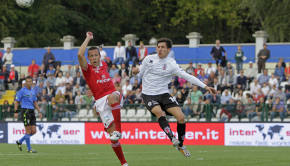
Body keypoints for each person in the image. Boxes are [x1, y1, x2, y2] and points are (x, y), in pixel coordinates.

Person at [132, 38, 215, 157]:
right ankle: (173, 139)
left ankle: (180, 144)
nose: (160, 49)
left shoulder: (171, 64)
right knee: (159, 113)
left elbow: (187, 76)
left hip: (164, 94)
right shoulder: (148, 59)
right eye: (158, 47)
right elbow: (139, 73)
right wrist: (134, 71)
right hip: (149, 94)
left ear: (168, 50)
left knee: (181, 117)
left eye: (163, 47)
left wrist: (205, 86)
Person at [78, 32, 128, 166]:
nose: (94, 58)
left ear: (100, 56)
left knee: (113, 96)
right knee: (113, 139)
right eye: (91, 56)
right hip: (101, 103)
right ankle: (124, 163)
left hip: (112, 96)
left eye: (96, 55)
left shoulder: (104, 65)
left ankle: (119, 130)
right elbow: (79, 55)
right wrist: (88, 38)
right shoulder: (87, 69)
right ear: (88, 58)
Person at [14, 76, 42, 153]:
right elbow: (16, 101)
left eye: (30, 81)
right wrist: (16, 111)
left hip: (32, 111)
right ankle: (29, 149)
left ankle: (20, 141)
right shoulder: (21, 91)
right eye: (28, 81)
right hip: (25, 111)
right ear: (26, 82)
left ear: (32, 82)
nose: (29, 83)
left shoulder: (33, 91)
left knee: (34, 131)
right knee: (28, 131)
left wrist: (39, 111)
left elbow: (35, 102)